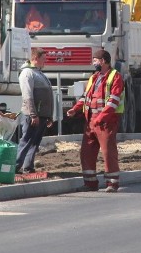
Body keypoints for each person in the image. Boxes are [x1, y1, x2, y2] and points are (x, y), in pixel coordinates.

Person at [66, 48, 125, 192]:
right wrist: (75, 109)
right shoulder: (94, 77)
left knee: (107, 152)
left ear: (103, 61)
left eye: (95, 60)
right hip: (90, 121)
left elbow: (113, 101)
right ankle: (90, 183)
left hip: (106, 122)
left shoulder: (115, 77)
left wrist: (101, 118)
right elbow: (86, 97)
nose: (93, 62)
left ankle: (112, 183)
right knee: (86, 152)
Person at [15, 48, 54, 174]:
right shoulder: (27, 73)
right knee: (26, 141)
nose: (45, 61)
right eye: (43, 59)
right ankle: (15, 167)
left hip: (41, 115)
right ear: (35, 59)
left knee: (35, 143)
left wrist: (48, 116)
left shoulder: (38, 73)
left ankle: (28, 167)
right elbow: (27, 96)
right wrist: (33, 114)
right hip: (32, 115)